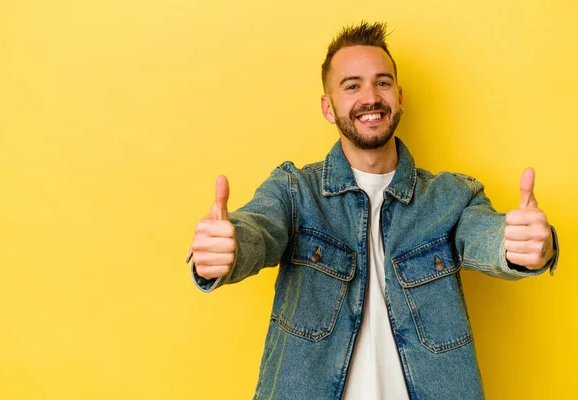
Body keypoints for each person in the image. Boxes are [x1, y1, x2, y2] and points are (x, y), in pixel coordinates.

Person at [186, 21, 559, 400]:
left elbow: (489, 237)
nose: (371, 97)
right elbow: (259, 229)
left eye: (382, 83)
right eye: (352, 86)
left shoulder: (452, 197)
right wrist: (227, 248)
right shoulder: (295, 191)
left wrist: (520, 248)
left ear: (399, 96)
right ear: (328, 107)